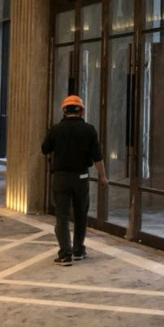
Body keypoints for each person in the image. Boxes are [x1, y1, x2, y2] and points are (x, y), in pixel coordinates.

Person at [41, 95, 107, 266]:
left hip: (61, 177)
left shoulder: (56, 129)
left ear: (64, 111)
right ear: (82, 111)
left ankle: (65, 254)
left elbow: (45, 149)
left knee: (62, 217)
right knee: (81, 215)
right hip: (81, 177)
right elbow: (97, 157)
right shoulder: (89, 130)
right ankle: (78, 250)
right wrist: (102, 176)